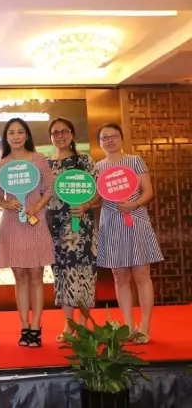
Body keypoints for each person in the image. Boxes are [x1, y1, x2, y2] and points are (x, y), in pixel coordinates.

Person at [96, 122, 163, 343]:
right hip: (111, 223)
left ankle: (145, 326)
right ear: (100, 142)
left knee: (142, 276)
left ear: (121, 138)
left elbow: (148, 191)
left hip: (136, 220)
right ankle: (127, 325)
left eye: (114, 135)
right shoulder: (97, 167)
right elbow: (96, 198)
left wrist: (134, 204)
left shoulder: (135, 161)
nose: (110, 140)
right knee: (119, 276)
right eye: (105, 137)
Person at [0, 118, 55, 348]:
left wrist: (36, 206)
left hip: (35, 222)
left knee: (36, 275)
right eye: (11, 133)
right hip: (12, 224)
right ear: (6, 138)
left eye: (20, 132)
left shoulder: (39, 160)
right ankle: (24, 325)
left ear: (27, 135)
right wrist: (6, 204)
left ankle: (36, 326)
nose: (16, 136)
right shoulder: (1, 164)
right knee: (19, 277)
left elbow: (49, 189)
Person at [47, 117, 99, 341]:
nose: (60, 136)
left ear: (72, 134)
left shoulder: (84, 160)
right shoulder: (46, 164)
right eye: (56, 132)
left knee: (83, 273)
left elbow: (98, 191)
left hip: (81, 226)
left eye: (65, 131)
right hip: (55, 227)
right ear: (50, 137)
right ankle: (68, 326)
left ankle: (83, 326)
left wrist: (86, 205)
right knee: (62, 273)